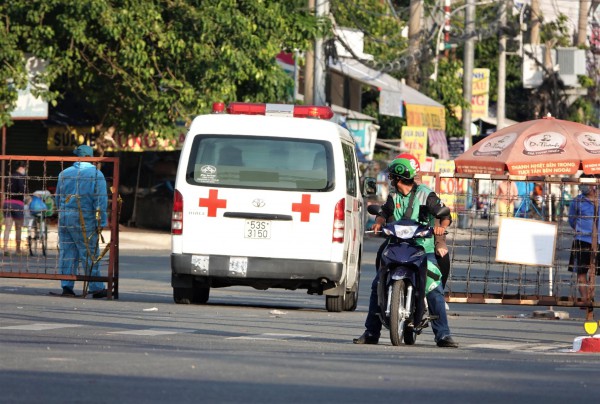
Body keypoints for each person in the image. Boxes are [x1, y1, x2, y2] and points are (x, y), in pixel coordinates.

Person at [353, 157, 458, 348]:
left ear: (397, 176)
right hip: (395, 246)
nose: (391, 179)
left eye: (392, 175)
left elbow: (444, 215)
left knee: (434, 286)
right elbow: (383, 212)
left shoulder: (426, 195)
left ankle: (443, 334)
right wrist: (378, 222)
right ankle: (371, 332)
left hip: (422, 248)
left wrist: (441, 228)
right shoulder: (394, 196)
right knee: (377, 283)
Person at [55, 145, 108, 298]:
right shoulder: (96, 174)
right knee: (89, 252)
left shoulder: (64, 173)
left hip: (65, 217)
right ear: (91, 158)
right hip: (85, 218)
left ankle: (66, 286)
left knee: (67, 252)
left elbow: (58, 197)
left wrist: (62, 213)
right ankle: (96, 286)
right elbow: (100, 201)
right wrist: (101, 221)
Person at [567, 177, 600, 319]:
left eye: (587, 183)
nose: (585, 186)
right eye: (583, 184)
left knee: (593, 272)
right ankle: (587, 302)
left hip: (598, 241)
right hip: (581, 240)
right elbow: (571, 219)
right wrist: (581, 230)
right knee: (581, 273)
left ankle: (590, 299)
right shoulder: (577, 201)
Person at [2, 161, 27, 256]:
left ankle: (5, 249)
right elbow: (22, 191)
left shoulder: (9, 177)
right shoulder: (21, 177)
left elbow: (3, 191)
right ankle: (18, 250)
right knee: (18, 228)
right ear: (22, 167)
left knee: (7, 227)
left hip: (7, 203)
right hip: (17, 204)